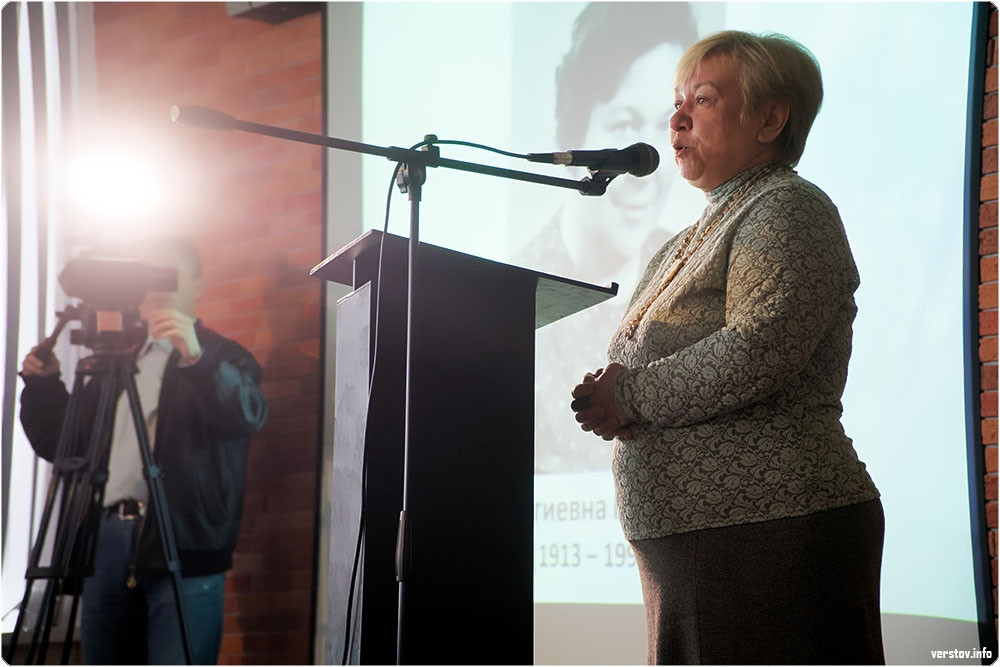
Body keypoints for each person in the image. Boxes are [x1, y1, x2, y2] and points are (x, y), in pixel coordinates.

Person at [571, 31, 885, 664]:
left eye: (703, 100)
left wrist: (628, 396)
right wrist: (611, 398)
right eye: (677, 103)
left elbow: (758, 349)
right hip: (700, 546)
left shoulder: (787, 207)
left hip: (768, 534)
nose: (676, 120)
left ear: (770, 119)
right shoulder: (688, 235)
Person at [19, 236, 268, 664]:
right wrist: (43, 387)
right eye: (149, 276)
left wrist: (197, 356)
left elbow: (247, 414)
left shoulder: (223, 356)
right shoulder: (118, 362)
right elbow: (64, 443)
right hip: (106, 540)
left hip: (183, 541)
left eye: (169, 274)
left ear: (199, 285)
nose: (158, 286)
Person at [519, 1, 700, 473]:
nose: (646, 166)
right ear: (572, 126)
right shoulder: (518, 286)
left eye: (663, 124)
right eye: (624, 126)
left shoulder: (685, 256)